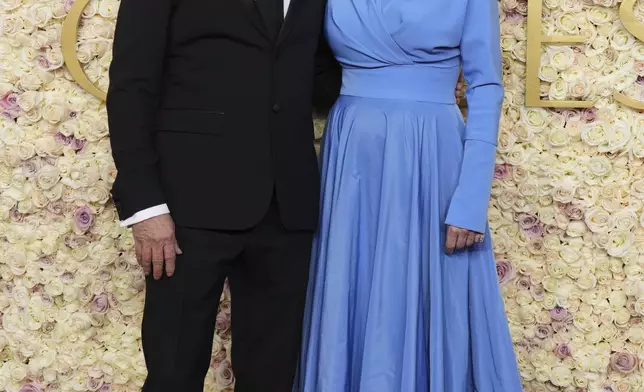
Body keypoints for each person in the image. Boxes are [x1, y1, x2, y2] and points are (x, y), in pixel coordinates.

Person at [106, 0, 463, 390]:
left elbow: (323, 79)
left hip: (286, 207)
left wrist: (408, 77)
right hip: (188, 203)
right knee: (173, 374)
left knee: (272, 378)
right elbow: (131, 84)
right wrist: (144, 206)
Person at [294, 0, 523, 390]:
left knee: (431, 297)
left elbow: (486, 86)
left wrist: (471, 198)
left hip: (432, 156)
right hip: (353, 158)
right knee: (351, 290)